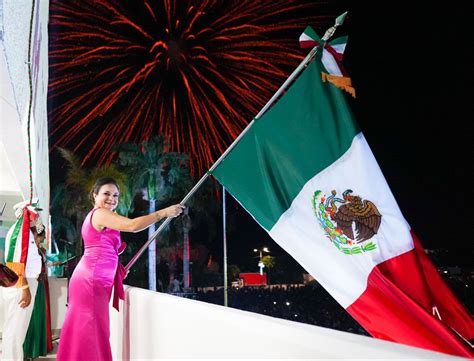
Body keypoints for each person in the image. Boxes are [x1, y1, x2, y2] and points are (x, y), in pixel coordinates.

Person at [56, 177, 185, 361]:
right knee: (92, 329)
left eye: (115, 195)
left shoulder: (102, 216)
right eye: (106, 194)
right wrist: (164, 212)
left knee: (88, 328)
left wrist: (116, 269)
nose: (112, 199)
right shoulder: (100, 214)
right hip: (91, 280)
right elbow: (132, 226)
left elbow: (106, 249)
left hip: (93, 278)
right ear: (95, 195)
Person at [1, 201, 44, 361]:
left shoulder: (25, 232)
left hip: (22, 283)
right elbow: (16, 264)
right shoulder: (20, 232)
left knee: (14, 328)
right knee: (16, 330)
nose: (37, 217)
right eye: (36, 213)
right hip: (21, 285)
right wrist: (25, 288)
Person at [23, 226, 54, 358]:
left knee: (41, 313)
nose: (40, 239)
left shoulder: (39, 249)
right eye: (39, 237)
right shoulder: (30, 250)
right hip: (33, 282)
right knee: (34, 314)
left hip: (41, 283)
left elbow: (44, 264)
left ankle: (40, 346)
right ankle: (31, 348)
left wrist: (53, 264)